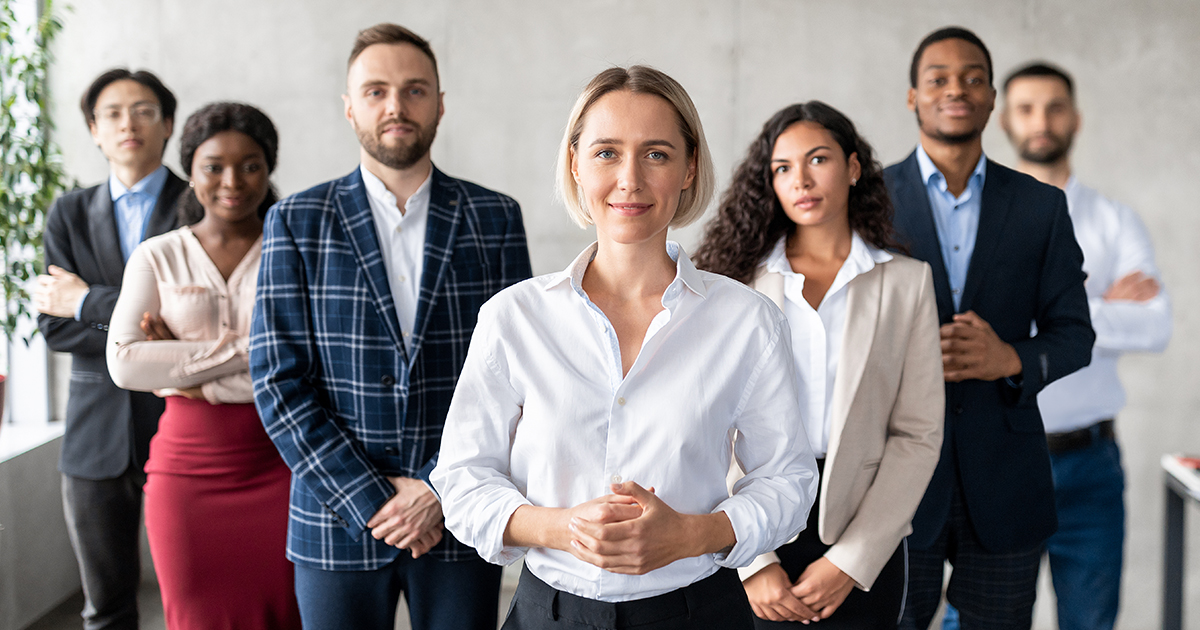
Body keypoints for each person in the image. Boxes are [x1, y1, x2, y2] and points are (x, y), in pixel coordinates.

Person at [432, 65, 820, 630]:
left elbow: (788, 480)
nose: (630, 180)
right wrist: (561, 527)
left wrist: (695, 534)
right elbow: (463, 479)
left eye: (656, 154)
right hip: (550, 613)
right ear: (575, 164)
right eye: (607, 152)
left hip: (698, 612)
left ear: (689, 167)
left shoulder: (748, 321)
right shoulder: (513, 317)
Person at [249, 23, 532, 630]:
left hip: (458, 515)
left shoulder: (494, 217)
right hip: (336, 516)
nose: (396, 106)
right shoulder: (296, 221)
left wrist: (435, 489)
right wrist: (373, 497)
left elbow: (515, 379)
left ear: (440, 103)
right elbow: (278, 382)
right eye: (376, 91)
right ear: (349, 107)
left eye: (414, 90)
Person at [692, 101, 944, 628]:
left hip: (861, 526)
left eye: (818, 160)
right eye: (783, 168)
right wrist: (752, 559)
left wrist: (851, 560)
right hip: (748, 519)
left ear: (853, 168)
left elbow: (917, 433)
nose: (801, 180)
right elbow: (704, 423)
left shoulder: (905, 282)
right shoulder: (733, 284)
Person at [941, 62, 1172, 630]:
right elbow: (958, 327)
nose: (1041, 121)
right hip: (992, 460)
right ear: (1003, 118)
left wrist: (1058, 315)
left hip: (1088, 466)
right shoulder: (976, 219)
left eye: (1054, 107)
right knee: (975, 621)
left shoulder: (1115, 221)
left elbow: (1156, 326)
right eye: (1025, 108)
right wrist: (1092, 305)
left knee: (1091, 622)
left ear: (1076, 118)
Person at [883, 27, 1095, 630]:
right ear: (912, 96)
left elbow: (1075, 335)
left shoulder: (1039, 206)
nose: (957, 89)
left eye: (974, 77)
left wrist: (1012, 360)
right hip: (894, 485)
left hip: (1007, 484)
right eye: (940, 78)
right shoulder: (868, 199)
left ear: (993, 96)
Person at [105, 101, 299, 629]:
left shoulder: (296, 251)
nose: (232, 180)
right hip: (186, 472)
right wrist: (258, 352)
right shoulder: (157, 256)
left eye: (251, 164)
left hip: (282, 464)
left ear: (269, 169)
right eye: (214, 166)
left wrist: (182, 365)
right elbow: (125, 364)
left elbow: (315, 364)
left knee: (285, 615)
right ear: (191, 171)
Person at [34, 68, 185, 630]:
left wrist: (87, 302)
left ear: (167, 124)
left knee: (191, 599)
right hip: (94, 434)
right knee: (105, 608)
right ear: (94, 130)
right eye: (113, 113)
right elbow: (54, 329)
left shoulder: (200, 202)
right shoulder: (68, 213)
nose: (129, 123)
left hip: (183, 419)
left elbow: (193, 323)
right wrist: (145, 328)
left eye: (144, 110)